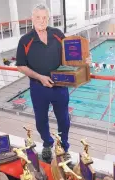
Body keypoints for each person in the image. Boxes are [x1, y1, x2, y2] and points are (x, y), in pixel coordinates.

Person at [16, 4, 91, 164]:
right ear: (32, 18)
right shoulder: (25, 40)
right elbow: (21, 66)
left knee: (63, 119)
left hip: (60, 85)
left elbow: (70, 55)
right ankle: (48, 144)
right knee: (40, 120)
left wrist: (84, 60)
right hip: (38, 87)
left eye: (44, 17)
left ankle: (63, 147)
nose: (41, 21)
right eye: (38, 17)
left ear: (48, 18)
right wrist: (40, 77)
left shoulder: (57, 34)